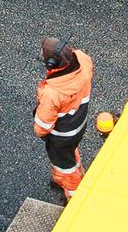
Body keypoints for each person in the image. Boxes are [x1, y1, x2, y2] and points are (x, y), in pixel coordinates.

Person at [33, 38, 93, 201]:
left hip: (60, 136)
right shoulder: (83, 60)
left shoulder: (52, 93)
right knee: (69, 153)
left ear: (52, 64)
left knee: (64, 167)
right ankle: (78, 173)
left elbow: (42, 127)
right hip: (78, 126)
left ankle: (74, 197)